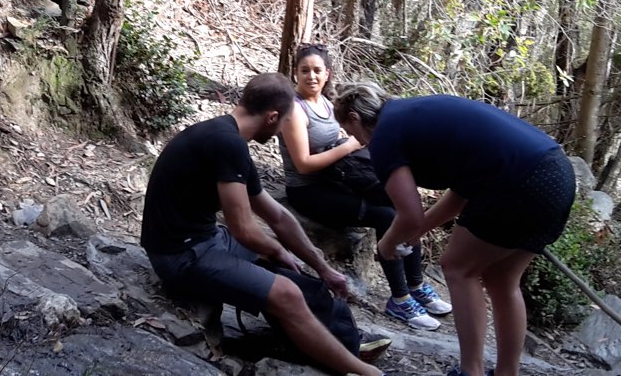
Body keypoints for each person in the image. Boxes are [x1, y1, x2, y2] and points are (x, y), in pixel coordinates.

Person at [141, 73, 391, 376]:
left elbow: (277, 215)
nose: (281, 131)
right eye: (283, 122)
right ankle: (362, 372)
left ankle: (340, 340)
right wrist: (278, 250)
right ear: (272, 116)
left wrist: (321, 265)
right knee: (286, 292)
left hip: (207, 240)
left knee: (293, 274)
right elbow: (243, 229)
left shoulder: (230, 138)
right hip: (181, 255)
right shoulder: (226, 143)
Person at [333, 82, 576, 376]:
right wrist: (416, 232)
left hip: (520, 182)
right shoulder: (415, 114)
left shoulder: (385, 135)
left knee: (458, 268)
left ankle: (470, 372)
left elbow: (409, 214)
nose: (357, 141)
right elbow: (460, 194)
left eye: (351, 133)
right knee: (502, 280)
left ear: (355, 118)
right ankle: (506, 373)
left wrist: (387, 246)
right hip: (556, 173)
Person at [278, 44, 452, 331]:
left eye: (317, 70)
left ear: (327, 73)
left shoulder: (327, 102)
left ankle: (417, 284)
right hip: (310, 191)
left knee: (403, 204)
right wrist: (348, 145)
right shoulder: (293, 110)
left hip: (340, 178)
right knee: (387, 217)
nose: (311, 76)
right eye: (304, 70)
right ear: (295, 73)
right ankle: (399, 298)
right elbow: (304, 164)